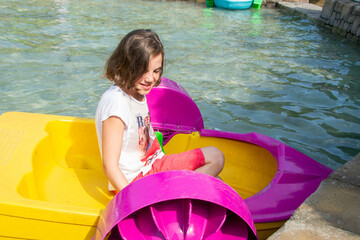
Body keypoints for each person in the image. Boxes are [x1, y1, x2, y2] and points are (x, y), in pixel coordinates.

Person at [95, 29, 224, 193]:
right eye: (143, 70)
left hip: (153, 166)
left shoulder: (138, 92)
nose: (150, 78)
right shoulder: (116, 103)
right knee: (216, 157)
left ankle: (176, 195)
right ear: (125, 65)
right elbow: (110, 166)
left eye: (156, 71)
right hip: (136, 181)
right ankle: (170, 197)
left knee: (215, 181)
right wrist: (133, 201)